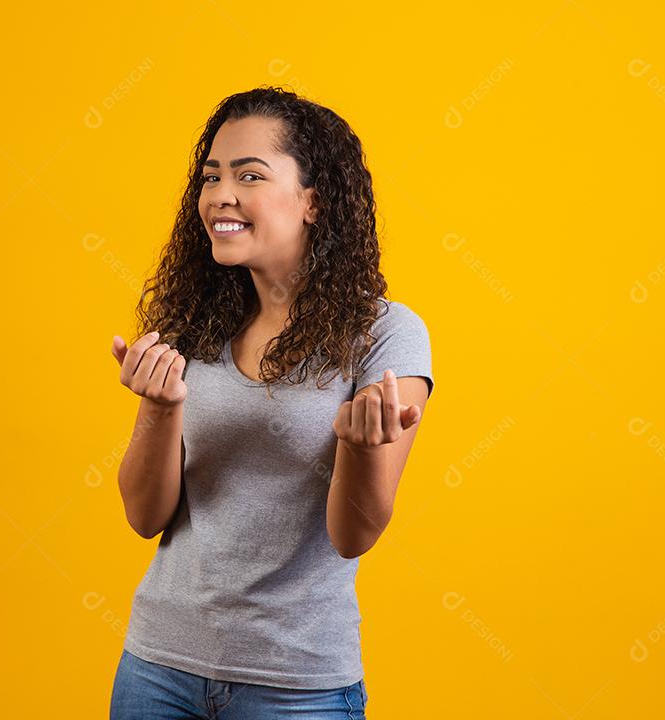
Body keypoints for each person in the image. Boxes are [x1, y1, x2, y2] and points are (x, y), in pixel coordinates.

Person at [108, 86, 434, 719]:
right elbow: (145, 516)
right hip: (158, 668)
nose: (220, 196)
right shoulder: (196, 323)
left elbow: (354, 535)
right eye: (211, 177)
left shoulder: (386, 334)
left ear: (313, 201)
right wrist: (159, 407)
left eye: (249, 175)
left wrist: (361, 448)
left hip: (295, 685)